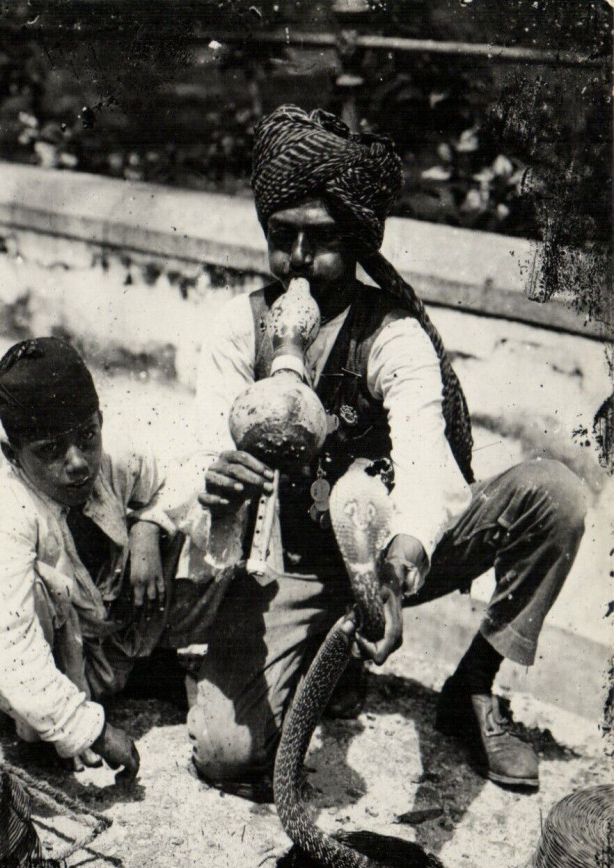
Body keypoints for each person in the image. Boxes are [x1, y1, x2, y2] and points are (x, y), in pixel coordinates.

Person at [187, 105, 588, 793]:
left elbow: (428, 470)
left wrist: (398, 566)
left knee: (554, 496)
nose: (301, 263)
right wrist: (212, 483)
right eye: (282, 239)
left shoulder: (393, 335)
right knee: (226, 755)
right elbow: (196, 454)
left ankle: (473, 687)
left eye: (322, 241)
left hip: (391, 550)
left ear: (359, 238)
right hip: (298, 566)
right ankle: (319, 652)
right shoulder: (236, 327)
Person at [0, 337, 182, 777]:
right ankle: (40, 728)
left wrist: (150, 524)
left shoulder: (114, 462)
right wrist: (87, 729)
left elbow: (183, 473)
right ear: (12, 454)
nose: (77, 462)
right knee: (36, 587)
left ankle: (145, 668)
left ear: (99, 422)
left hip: (102, 646)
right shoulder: (7, 507)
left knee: (198, 520)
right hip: (22, 677)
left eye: (87, 437)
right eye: (50, 450)